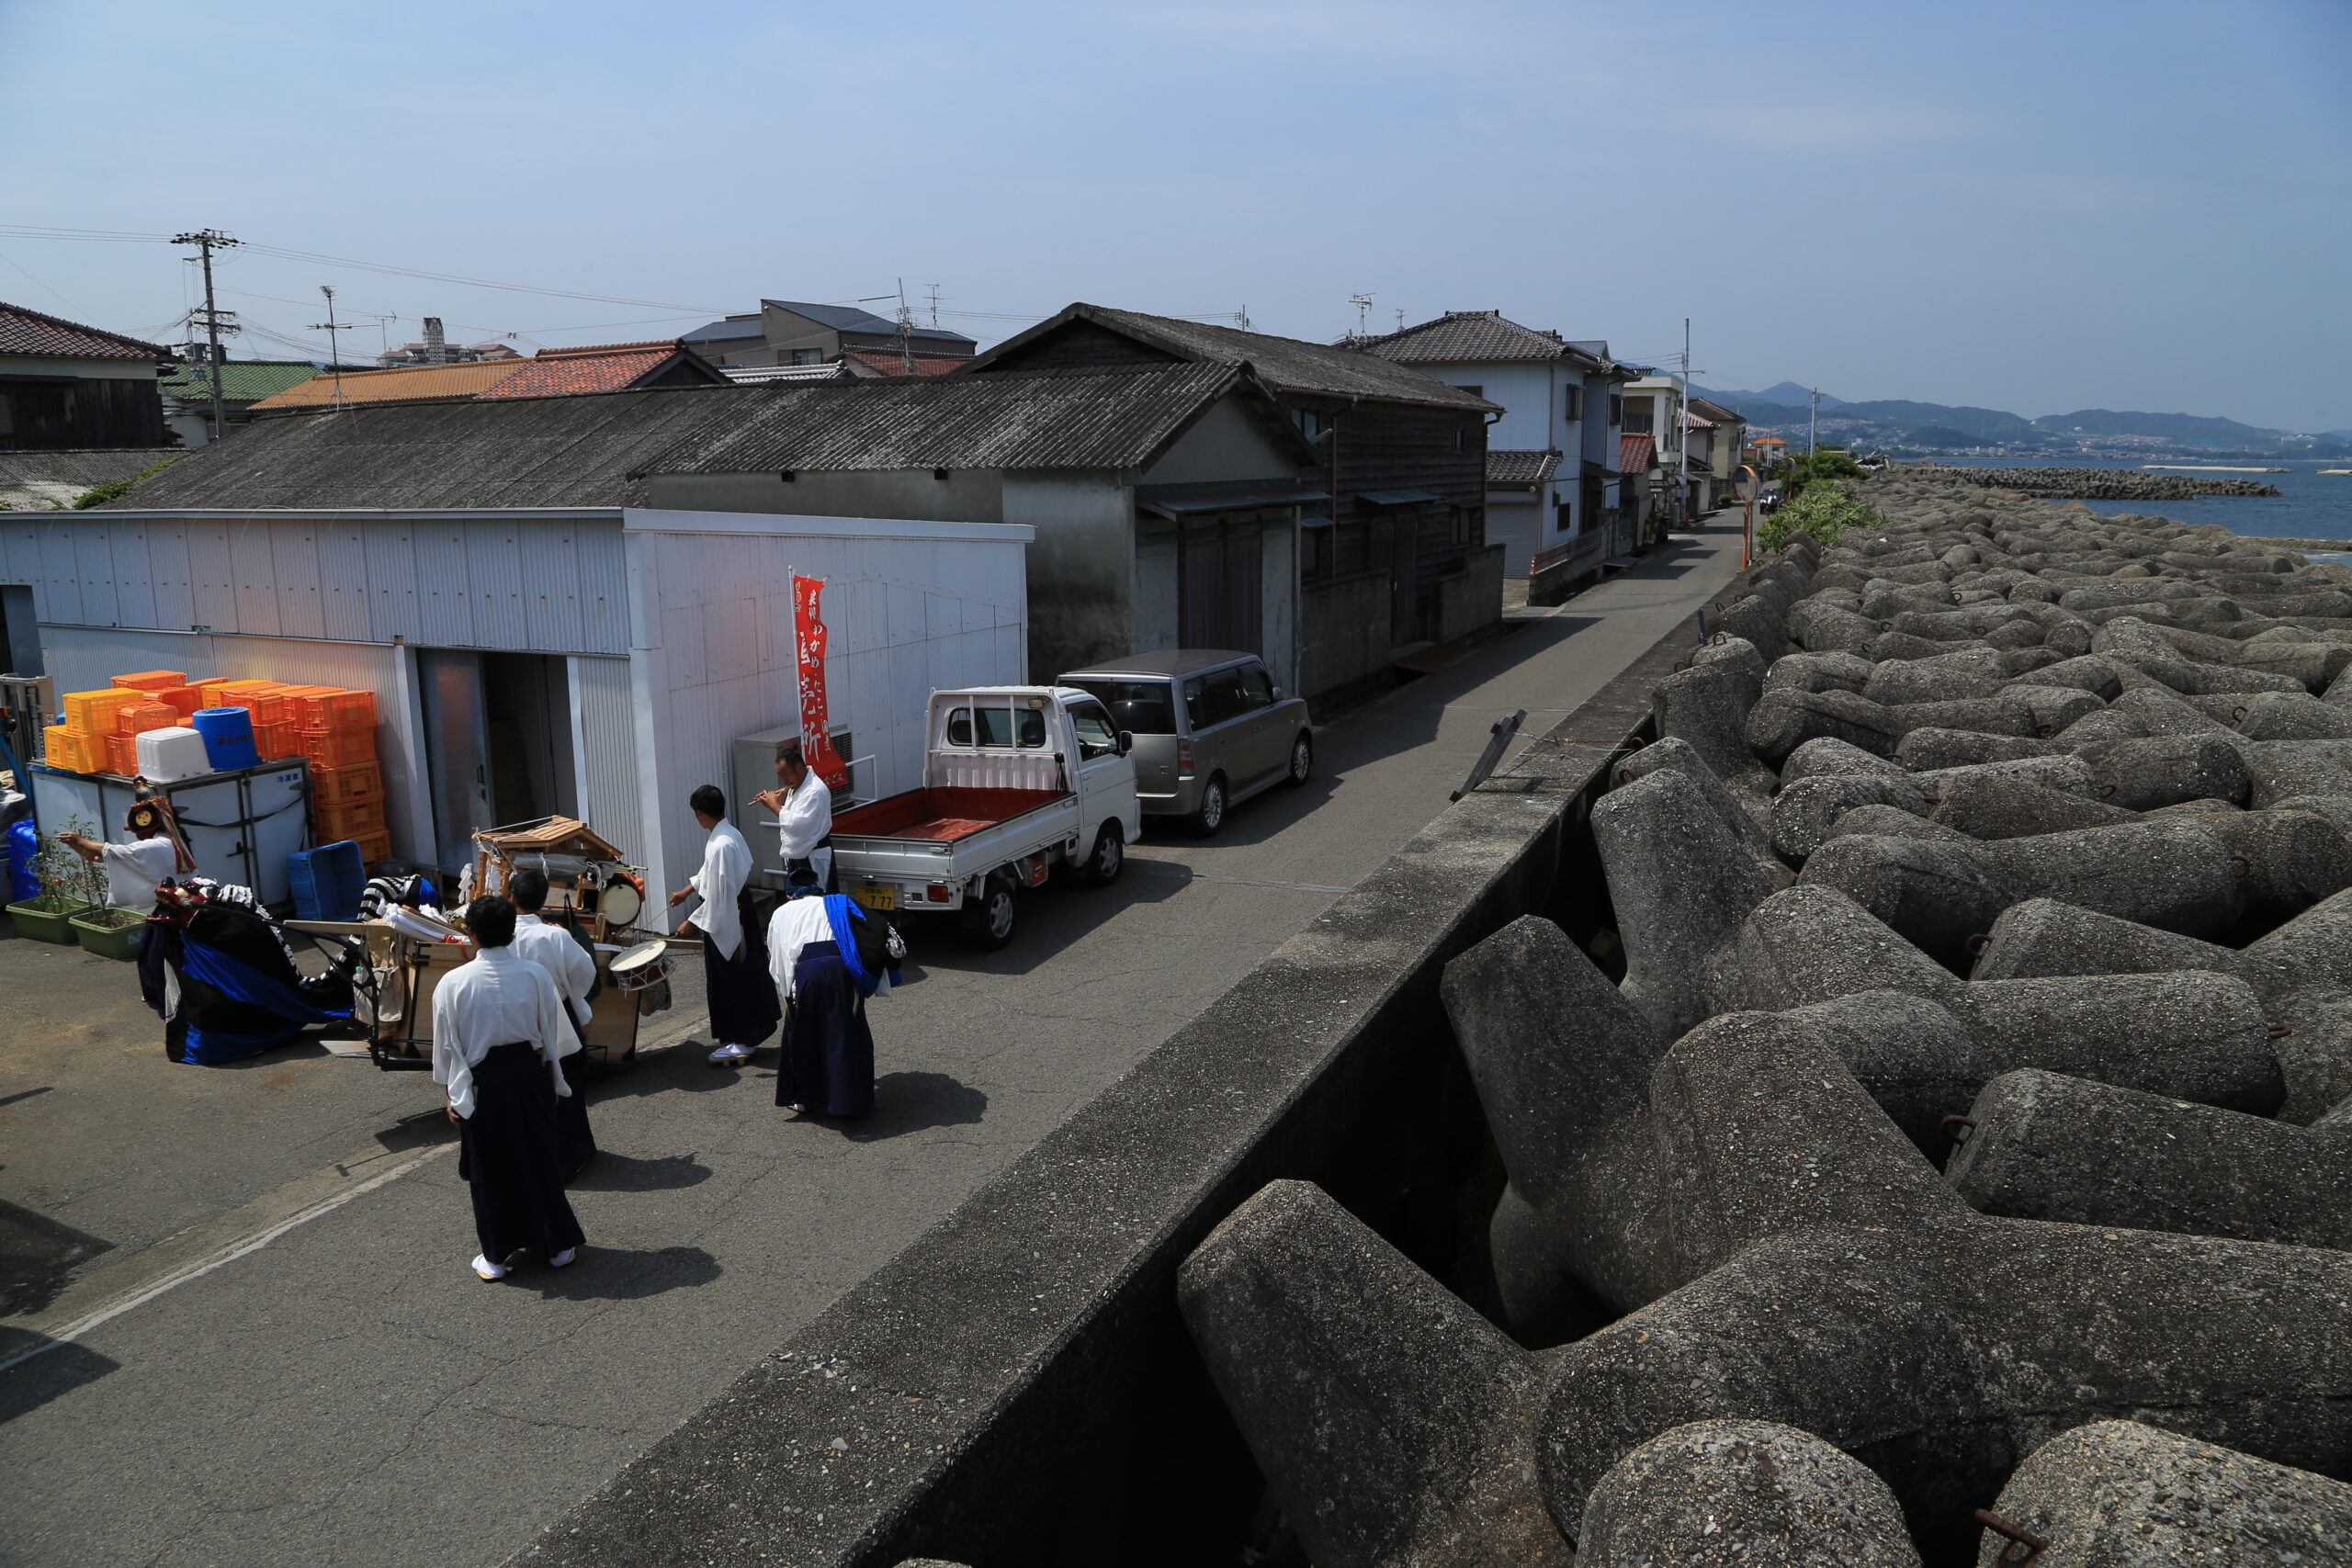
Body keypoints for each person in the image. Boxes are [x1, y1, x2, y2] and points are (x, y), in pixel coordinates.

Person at [431, 895, 584, 1281]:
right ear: (512, 932)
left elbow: (448, 1048)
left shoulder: (451, 983)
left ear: (470, 934)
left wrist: (452, 1095)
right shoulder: (535, 975)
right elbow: (551, 1039)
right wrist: (553, 1082)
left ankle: (496, 1257)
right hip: (530, 1076)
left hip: (484, 1084)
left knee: (490, 1168)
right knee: (540, 1158)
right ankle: (556, 1247)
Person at [668, 784, 781, 1068]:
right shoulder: (729, 834)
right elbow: (710, 875)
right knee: (727, 976)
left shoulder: (721, 843)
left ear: (700, 814)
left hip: (730, 914)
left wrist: (691, 922)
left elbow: (720, 893)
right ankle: (733, 1032)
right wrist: (688, 889)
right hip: (732, 908)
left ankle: (744, 1039)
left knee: (735, 976)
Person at [766, 868, 892, 1118]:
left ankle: (806, 1100)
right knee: (847, 1033)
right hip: (843, 969)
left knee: (804, 1036)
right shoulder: (836, 903)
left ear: (790, 895)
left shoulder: (781, 912)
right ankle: (852, 1103)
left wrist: (788, 992)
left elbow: (778, 958)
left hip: (807, 972)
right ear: (817, 888)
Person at [507, 867, 597, 1178]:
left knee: (530, 1086)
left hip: (517, 1019)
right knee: (568, 1080)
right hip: (557, 1012)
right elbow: (584, 973)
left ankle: (538, 1157)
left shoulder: (502, 935)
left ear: (511, 896)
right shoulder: (555, 935)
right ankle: (574, 1153)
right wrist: (575, 996)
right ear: (544, 901)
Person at [58, 798, 191, 911]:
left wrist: (80, 840)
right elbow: (95, 857)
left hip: (179, 904)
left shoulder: (158, 844)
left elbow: (112, 852)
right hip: (179, 899)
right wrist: (73, 843)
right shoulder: (172, 839)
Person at [754, 738, 835, 894]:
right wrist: (773, 805)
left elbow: (798, 825)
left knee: (816, 902)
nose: (783, 780)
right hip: (799, 853)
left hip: (813, 855)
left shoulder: (815, 790)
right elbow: (797, 816)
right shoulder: (797, 785)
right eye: (780, 775)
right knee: (796, 902)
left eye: (785, 774)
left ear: (799, 767)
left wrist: (775, 806)